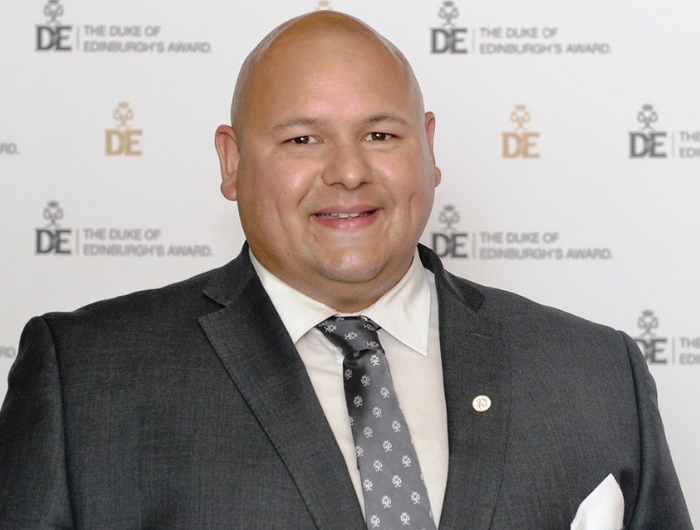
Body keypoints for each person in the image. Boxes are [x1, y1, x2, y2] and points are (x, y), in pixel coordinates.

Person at [0, 10, 693, 530]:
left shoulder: (596, 374)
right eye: (303, 139)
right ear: (232, 162)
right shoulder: (87, 379)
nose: (349, 171)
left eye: (381, 136)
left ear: (428, 149)